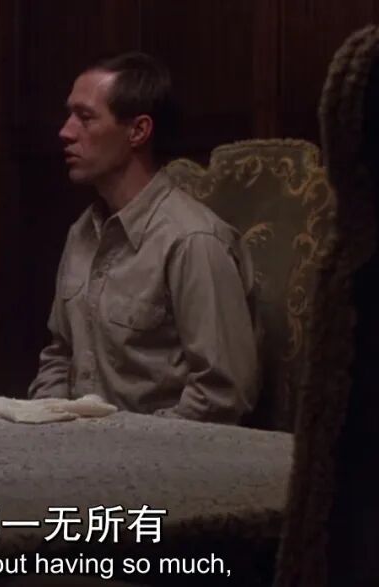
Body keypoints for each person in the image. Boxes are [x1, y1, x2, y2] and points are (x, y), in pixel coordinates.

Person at [27, 52, 258, 424]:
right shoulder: (82, 231)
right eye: (69, 115)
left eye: (85, 117)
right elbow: (60, 355)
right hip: (75, 447)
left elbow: (221, 393)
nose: (65, 132)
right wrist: (47, 423)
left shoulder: (193, 240)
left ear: (138, 131)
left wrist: (132, 445)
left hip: (163, 450)